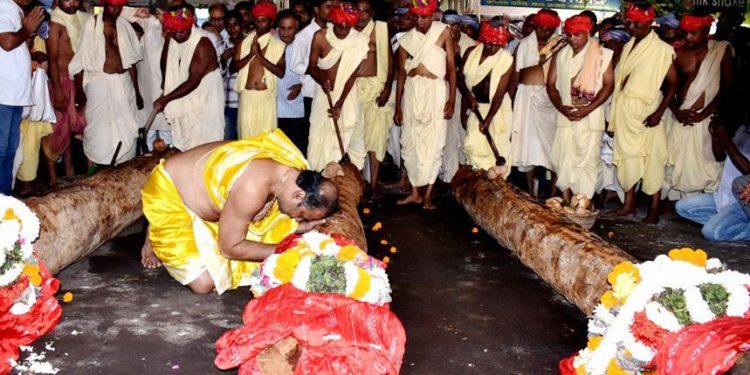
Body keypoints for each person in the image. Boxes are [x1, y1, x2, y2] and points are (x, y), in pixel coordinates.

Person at [140, 129, 339, 294]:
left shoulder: (294, 172)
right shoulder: (252, 188)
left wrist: (304, 230)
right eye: (302, 214)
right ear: (297, 196)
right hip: (172, 195)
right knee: (204, 284)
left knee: (286, 234)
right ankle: (156, 231)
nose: (298, 218)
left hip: (212, 195)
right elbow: (229, 249)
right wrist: (288, 249)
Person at [609, 3, 678, 223]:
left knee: (652, 160)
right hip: (625, 111)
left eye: (636, 23)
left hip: (648, 112)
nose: (630, 26)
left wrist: (659, 112)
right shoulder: (629, 45)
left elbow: (673, 84)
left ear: (649, 23)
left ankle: (654, 209)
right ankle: (628, 204)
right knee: (627, 159)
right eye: (629, 21)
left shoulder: (662, 50)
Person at [663, 14, 733, 201]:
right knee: (676, 165)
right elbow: (667, 88)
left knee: (706, 166)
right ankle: (676, 205)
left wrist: (704, 114)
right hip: (682, 117)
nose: (687, 37)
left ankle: (700, 205)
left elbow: (727, 88)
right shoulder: (677, 53)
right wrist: (677, 113)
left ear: (706, 32)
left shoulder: (721, 50)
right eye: (685, 33)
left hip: (707, 118)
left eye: (693, 33)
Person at [393, 0, 456, 209]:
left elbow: (452, 68)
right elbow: (401, 74)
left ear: (433, 16)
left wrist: (452, 99)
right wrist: (398, 107)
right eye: (416, 17)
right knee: (410, 143)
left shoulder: (443, 32)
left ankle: (428, 195)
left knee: (434, 143)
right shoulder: (406, 40)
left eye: (425, 17)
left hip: (436, 93)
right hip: (412, 93)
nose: (420, 21)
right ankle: (415, 193)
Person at [547, 15, 614, 206]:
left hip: (590, 118)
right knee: (563, 159)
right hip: (565, 116)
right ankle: (567, 202)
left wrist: (588, 110)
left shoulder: (603, 54)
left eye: (577, 35)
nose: (572, 39)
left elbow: (609, 85)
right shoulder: (561, 54)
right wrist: (561, 107)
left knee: (588, 164)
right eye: (569, 34)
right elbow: (550, 84)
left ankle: (583, 204)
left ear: (587, 33)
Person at [69, 0, 143, 167]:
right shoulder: (92, 25)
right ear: (104, 5)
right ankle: (94, 171)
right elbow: (80, 61)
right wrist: (80, 93)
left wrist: (137, 93)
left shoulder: (124, 25)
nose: (115, 10)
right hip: (99, 84)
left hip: (123, 84)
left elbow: (131, 63)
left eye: (118, 7)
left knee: (127, 129)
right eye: (112, 6)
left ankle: (122, 171)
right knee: (98, 131)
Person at [307, 2, 368, 171]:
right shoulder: (320, 37)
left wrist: (340, 103)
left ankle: (348, 184)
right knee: (318, 138)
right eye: (340, 26)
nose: (343, 31)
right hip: (323, 95)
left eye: (347, 27)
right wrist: (321, 81)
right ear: (332, 21)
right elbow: (312, 67)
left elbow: (352, 76)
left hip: (347, 97)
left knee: (349, 138)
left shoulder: (359, 40)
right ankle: (319, 179)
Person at [510, 8, 563, 199]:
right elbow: (516, 75)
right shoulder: (523, 45)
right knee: (527, 146)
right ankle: (531, 189)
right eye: (541, 28)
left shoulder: (559, 46)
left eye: (549, 29)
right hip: (527, 98)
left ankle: (553, 194)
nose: (544, 32)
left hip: (551, 101)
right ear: (535, 26)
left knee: (553, 148)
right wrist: (510, 99)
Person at [155, 7, 224, 151]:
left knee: (205, 143)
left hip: (205, 98)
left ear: (190, 26)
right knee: (187, 146)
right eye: (173, 32)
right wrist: (168, 42)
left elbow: (193, 81)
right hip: (187, 93)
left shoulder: (203, 44)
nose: (177, 36)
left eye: (181, 31)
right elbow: (166, 66)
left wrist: (166, 98)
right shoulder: (174, 38)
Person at [675, 120, 750, 241]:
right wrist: (715, 136)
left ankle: (730, 226)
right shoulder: (742, 129)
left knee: (711, 232)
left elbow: (747, 170)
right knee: (682, 207)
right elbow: (720, 157)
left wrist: (726, 139)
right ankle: (725, 223)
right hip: (724, 195)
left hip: (742, 202)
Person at [459, 20, 513, 176]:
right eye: (489, 44)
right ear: (482, 39)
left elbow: (499, 95)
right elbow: (461, 80)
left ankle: (496, 191)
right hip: (475, 107)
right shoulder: (470, 53)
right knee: (474, 148)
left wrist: (488, 119)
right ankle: (478, 189)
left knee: (496, 155)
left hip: (497, 111)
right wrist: (467, 100)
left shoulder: (506, 59)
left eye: (497, 45)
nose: (493, 48)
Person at [0, 0, 43, 194]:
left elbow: (20, 45)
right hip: (4, 94)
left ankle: (5, 198)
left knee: (9, 151)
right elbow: (7, 42)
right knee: (1, 151)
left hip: (14, 95)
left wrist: (29, 34)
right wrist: (26, 29)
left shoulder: (16, 9)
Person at [45, 0, 87, 184]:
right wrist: (59, 91)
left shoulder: (80, 19)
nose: (72, 2)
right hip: (60, 81)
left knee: (76, 128)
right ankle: (53, 180)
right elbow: (52, 59)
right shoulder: (55, 22)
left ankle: (70, 173)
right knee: (57, 132)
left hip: (77, 79)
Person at [354, 0, 393, 199]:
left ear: (372, 13)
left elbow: (390, 62)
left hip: (375, 89)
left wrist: (387, 89)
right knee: (355, 139)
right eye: (358, 10)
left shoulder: (380, 29)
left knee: (375, 139)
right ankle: (358, 182)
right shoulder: (345, 29)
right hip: (352, 91)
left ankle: (375, 184)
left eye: (365, 11)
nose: (361, 15)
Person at [290, 0, 336, 158]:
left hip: (332, 90)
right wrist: (317, 69)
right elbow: (295, 65)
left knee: (329, 135)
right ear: (316, 9)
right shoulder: (304, 35)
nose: (332, 10)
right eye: (328, 7)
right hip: (311, 92)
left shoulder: (335, 31)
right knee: (311, 136)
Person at [234, 2, 285, 139]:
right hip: (247, 97)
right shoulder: (245, 42)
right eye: (257, 20)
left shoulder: (278, 44)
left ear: (271, 21)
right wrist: (251, 54)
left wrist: (260, 56)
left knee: (266, 141)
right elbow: (234, 67)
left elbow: (281, 72)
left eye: (263, 20)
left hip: (266, 98)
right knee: (246, 139)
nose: (259, 23)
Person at [276, 10, 306, 153]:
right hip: (274, 108)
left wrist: (301, 85)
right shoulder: (271, 43)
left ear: (297, 27)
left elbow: (315, 70)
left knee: (296, 151)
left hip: (296, 109)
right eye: (282, 28)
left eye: (290, 28)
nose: (286, 33)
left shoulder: (304, 45)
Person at [222, 10, 243, 140]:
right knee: (228, 140)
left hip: (246, 100)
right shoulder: (222, 45)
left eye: (235, 24)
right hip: (228, 100)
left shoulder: (249, 43)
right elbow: (219, 75)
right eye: (228, 25)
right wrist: (223, 60)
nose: (232, 28)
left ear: (241, 25)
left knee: (245, 139)